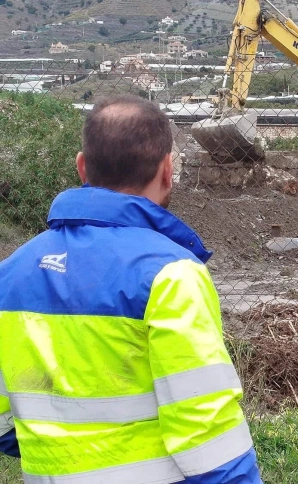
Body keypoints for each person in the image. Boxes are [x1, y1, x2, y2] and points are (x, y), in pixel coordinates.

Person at [0, 95, 263, 483]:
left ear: (82, 167)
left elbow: (7, 427)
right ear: (168, 170)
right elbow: (207, 429)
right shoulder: (171, 275)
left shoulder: (11, 274)